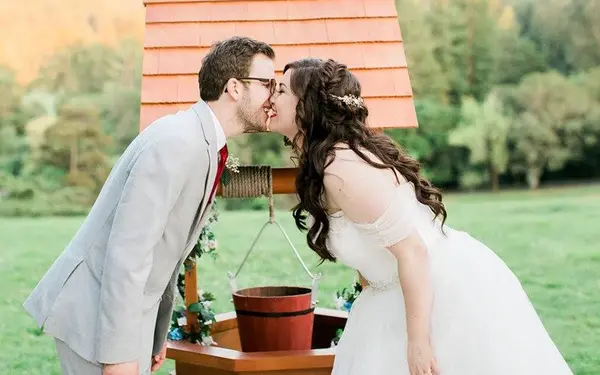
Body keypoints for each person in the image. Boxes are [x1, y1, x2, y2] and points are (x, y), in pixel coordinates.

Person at [267, 57, 574, 375]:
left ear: (308, 106)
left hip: (442, 295)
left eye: (281, 90)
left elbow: (411, 251)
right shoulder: (330, 161)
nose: (271, 98)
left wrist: (418, 343)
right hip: (391, 297)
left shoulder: (343, 167)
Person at [23, 36, 276, 375]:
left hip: (128, 319)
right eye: (267, 83)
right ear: (234, 87)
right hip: (96, 320)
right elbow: (128, 254)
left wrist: (155, 335)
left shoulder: (200, 142)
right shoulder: (176, 142)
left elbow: (166, 253)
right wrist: (119, 355)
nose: (273, 95)